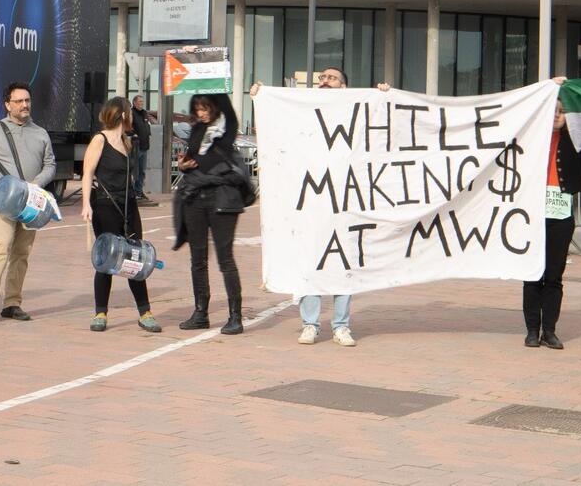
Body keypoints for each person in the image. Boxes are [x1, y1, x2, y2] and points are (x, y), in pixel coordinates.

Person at [251, 67, 384, 347]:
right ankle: (310, 324)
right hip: (311, 201)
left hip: (345, 202)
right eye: (322, 78)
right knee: (310, 262)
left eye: (331, 78)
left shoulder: (355, 110)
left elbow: (383, 131)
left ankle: (341, 325)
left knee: (342, 265)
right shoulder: (302, 110)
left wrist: (382, 96)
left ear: (344, 87)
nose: (324, 81)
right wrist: (261, 98)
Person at [0, 82, 54, 325]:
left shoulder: (40, 133)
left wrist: (37, 183)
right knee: (1, 245)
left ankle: (12, 303)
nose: (25, 105)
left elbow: (50, 164)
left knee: (22, 252)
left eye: (27, 100)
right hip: (5, 200)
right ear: (8, 105)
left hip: (31, 203)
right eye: (19, 101)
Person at [174, 93, 249, 335]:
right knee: (198, 259)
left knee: (225, 259)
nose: (201, 113)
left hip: (222, 200)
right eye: (197, 108)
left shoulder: (225, 132)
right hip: (196, 198)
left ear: (215, 108)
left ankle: (235, 316)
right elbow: (191, 159)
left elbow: (229, 111)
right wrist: (183, 165)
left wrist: (213, 77)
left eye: (205, 108)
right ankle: (200, 313)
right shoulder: (197, 131)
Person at [82, 98, 159, 334]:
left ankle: (145, 312)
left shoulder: (127, 143)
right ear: (123, 115)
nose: (132, 118)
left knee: (135, 256)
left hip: (128, 206)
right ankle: (100, 313)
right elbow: (87, 173)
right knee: (108, 258)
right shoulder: (99, 139)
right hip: (105, 205)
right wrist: (86, 204)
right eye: (129, 114)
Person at [521, 99, 581, 350]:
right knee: (532, 274)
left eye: (563, 111)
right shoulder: (532, 137)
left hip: (560, 215)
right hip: (532, 214)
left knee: (554, 275)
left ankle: (550, 330)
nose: (558, 115)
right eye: (554, 110)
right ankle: (531, 331)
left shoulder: (575, 141)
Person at [129, 95, 153, 201]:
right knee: (134, 171)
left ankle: (139, 191)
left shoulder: (144, 113)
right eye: (139, 101)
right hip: (136, 146)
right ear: (134, 102)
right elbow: (127, 127)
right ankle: (132, 192)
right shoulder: (131, 113)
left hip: (144, 146)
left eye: (142, 101)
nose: (141, 103)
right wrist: (133, 134)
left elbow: (147, 125)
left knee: (142, 171)